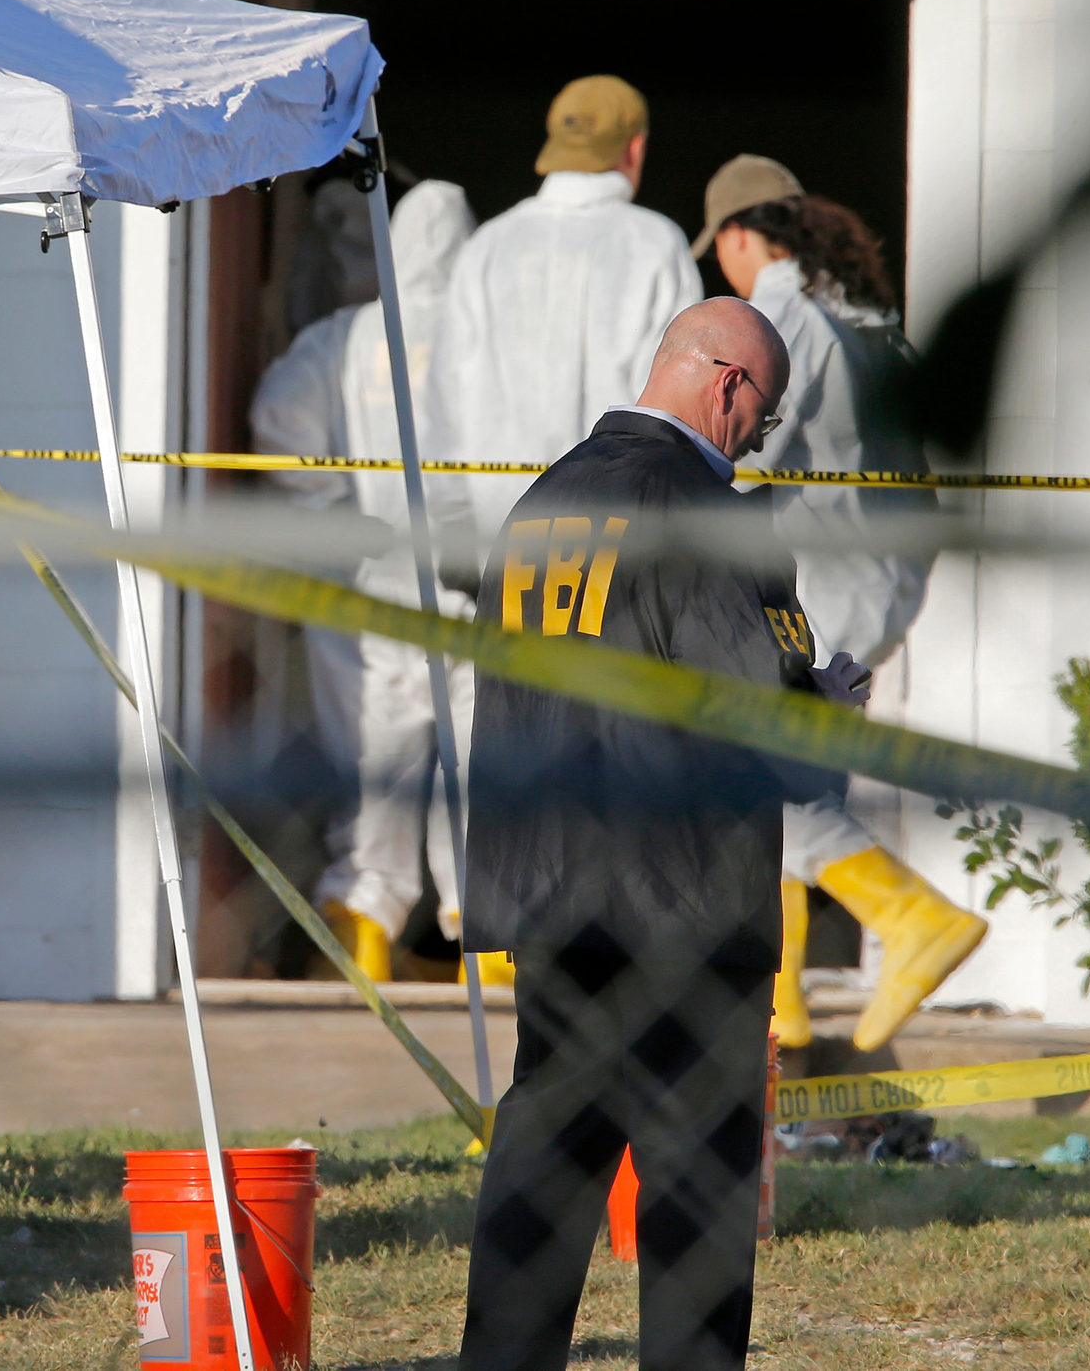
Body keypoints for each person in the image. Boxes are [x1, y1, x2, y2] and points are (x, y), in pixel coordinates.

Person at [458, 299, 870, 1371]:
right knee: (695, 1205)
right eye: (765, 419)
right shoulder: (709, 514)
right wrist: (828, 710)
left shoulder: (545, 499)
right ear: (729, 382)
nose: (756, 440)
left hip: (552, 893)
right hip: (683, 903)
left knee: (544, 1168)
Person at [695, 155, 988, 1052]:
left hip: (825, 583)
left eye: (723, 251)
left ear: (744, 236)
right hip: (885, 577)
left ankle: (915, 919)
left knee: (755, 779)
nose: (724, 270)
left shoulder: (782, 312)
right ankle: (777, 1012)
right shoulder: (868, 321)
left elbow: (741, 453)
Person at [250, 180, 480, 981]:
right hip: (478, 589)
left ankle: (365, 937)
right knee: (484, 765)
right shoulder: (491, 342)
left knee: (371, 768)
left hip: (367, 592)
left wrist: (341, 513)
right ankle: (491, 954)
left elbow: (277, 428)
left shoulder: (342, 341)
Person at [424, 74, 702, 569]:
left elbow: (445, 390)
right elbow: (683, 398)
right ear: (634, 149)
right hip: (619, 534)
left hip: (499, 531)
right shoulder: (656, 245)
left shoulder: (488, 246)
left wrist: (453, 520)